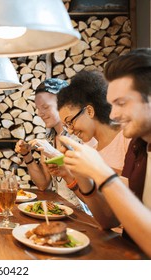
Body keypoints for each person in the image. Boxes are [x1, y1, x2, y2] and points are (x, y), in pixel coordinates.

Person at [60, 48, 151, 257]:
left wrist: (101, 172)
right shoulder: (139, 147)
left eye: (121, 103)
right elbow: (109, 221)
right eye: (112, 104)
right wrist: (81, 174)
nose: (114, 114)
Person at [15, 78, 87, 212]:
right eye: (38, 108)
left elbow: (87, 180)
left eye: (45, 107)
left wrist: (52, 152)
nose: (40, 113)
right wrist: (27, 155)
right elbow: (43, 184)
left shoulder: (80, 135)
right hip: (60, 211)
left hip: (83, 214)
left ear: (64, 105)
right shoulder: (49, 137)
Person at [57, 70, 130, 175]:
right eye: (66, 126)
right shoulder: (91, 150)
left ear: (89, 111)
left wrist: (94, 167)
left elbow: (138, 185)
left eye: (70, 122)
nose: (70, 131)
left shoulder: (127, 138)